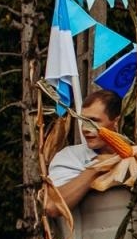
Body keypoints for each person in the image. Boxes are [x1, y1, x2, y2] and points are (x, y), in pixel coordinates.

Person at [45, 88, 123, 217]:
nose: (85, 129)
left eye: (93, 121)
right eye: (83, 121)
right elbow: (52, 206)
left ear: (116, 122)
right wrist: (95, 169)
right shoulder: (70, 157)